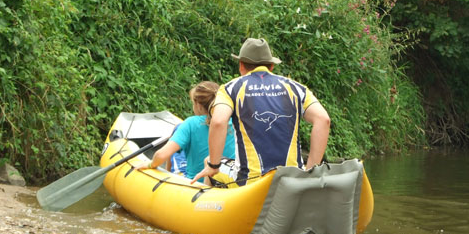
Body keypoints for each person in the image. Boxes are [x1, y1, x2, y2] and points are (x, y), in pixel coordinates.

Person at [192, 38, 330, 185]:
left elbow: (218, 121)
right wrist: (309, 172)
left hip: (249, 181)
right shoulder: (295, 87)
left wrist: (214, 166)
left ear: (241, 65)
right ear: (271, 66)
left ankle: (212, 204)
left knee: (209, 162)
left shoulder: (230, 89)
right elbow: (323, 120)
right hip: (292, 180)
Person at [136, 81, 235, 181]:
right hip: (227, 182)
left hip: (196, 185)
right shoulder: (233, 121)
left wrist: (150, 164)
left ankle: (168, 174)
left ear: (199, 106)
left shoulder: (190, 124)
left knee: (177, 130)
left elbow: (161, 155)